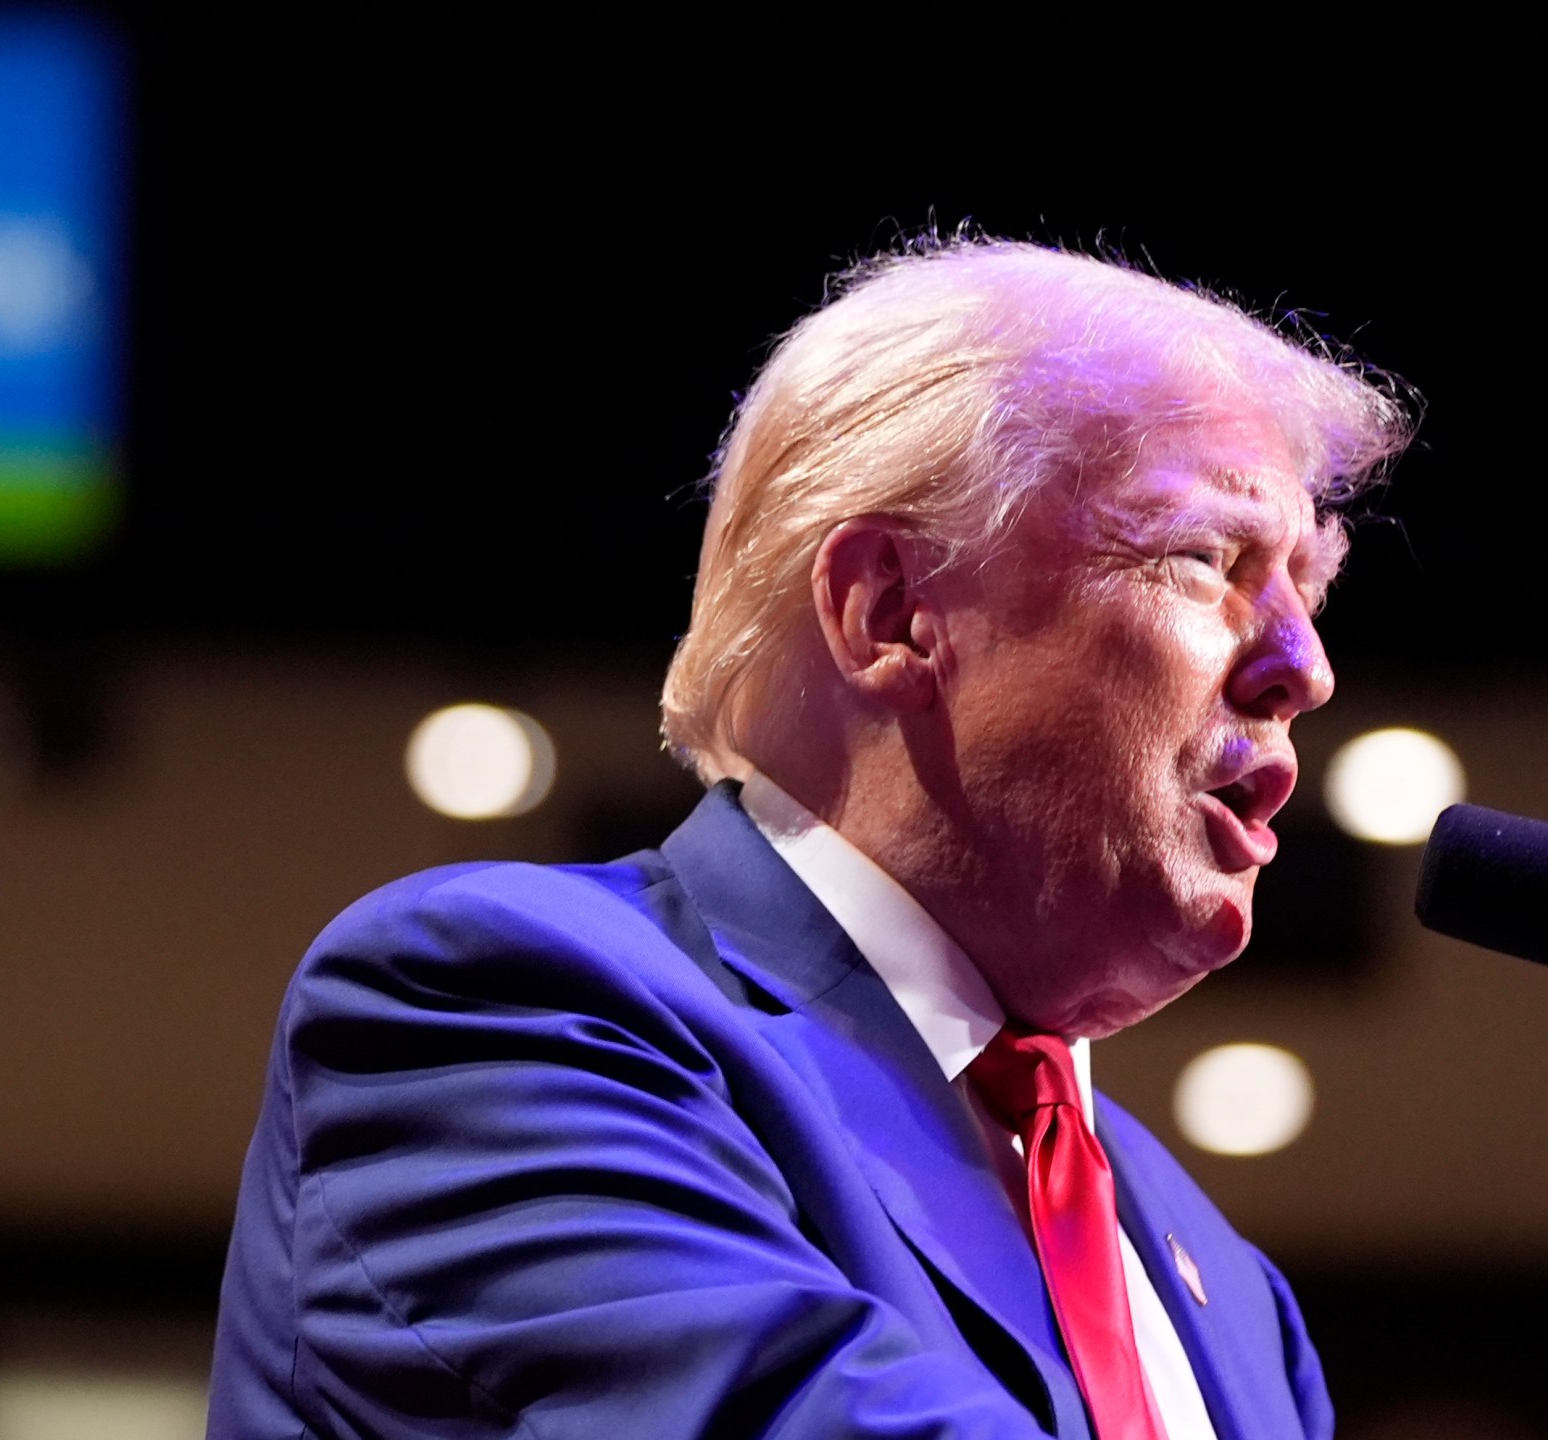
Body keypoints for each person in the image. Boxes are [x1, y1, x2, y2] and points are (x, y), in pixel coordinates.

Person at [206, 239, 1412, 1439]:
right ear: (891, 611)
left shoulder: (1231, 1296)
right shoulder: (503, 1015)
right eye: (1207, 560)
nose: (1303, 670)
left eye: (1306, 591)